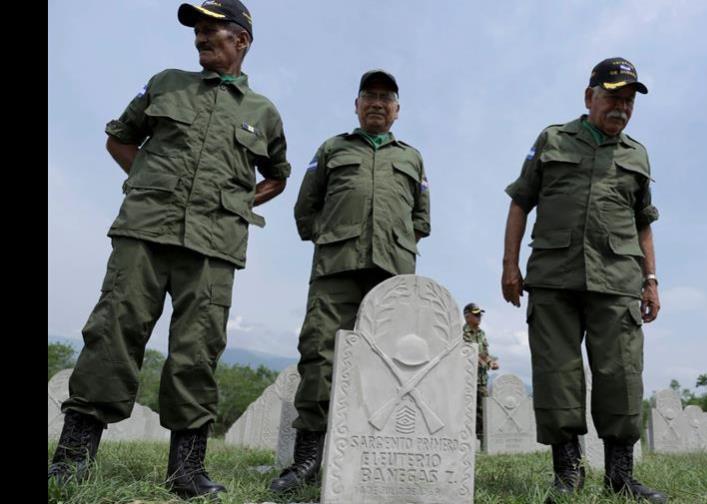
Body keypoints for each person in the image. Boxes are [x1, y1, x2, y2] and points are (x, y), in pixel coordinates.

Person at [47, 1, 291, 498]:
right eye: (197, 30)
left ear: (241, 40)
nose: (201, 37)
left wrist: (238, 203)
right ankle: (71, 461)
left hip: (214, 245)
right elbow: (120, 139)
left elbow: (277, 176)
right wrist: (148, 184)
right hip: (144, 230)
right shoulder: (165, 83)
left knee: (197, 349)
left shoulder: (263, 112)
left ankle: (187, 472)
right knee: (113, 332)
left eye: (212, 29)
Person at [501, 57, 666, 503]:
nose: (621, 107)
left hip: (618, 279)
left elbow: (643, 223)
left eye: (629, 100)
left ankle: (619, 475)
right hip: (554, 275)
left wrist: (650, 279)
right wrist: (510, 265)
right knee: (557, 373)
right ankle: (568, 473)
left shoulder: (637, 154)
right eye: (613, 96)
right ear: (589, 96)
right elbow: (521, 202)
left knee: (622, 374)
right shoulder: (552, 139)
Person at [270, 69, 431, 493]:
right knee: (321, 356)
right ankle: (307, 460)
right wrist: (327, 238)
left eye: (386, 97)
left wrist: (400, 247)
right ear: (356, 106)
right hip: (336, 267)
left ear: (397, 110)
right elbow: (306, 206)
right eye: (369, 96)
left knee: (390, 363)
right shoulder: (332, 148)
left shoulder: (412, 157)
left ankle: (378, 455)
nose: (377, 103)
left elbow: (421, 218)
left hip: (392, 272)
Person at [461, 302, 499, 443]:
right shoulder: (462, 332)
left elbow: (484, 353)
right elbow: (467, 353)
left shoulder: (482, 333)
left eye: (480, 314)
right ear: (467, 316)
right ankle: (468, 441)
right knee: (467, 411)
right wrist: (480, 360)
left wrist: (491, 362)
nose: (479, 317)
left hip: (482, 380)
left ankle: (482, 441)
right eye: (476, 314)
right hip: (466, 379)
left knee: (483, 410)